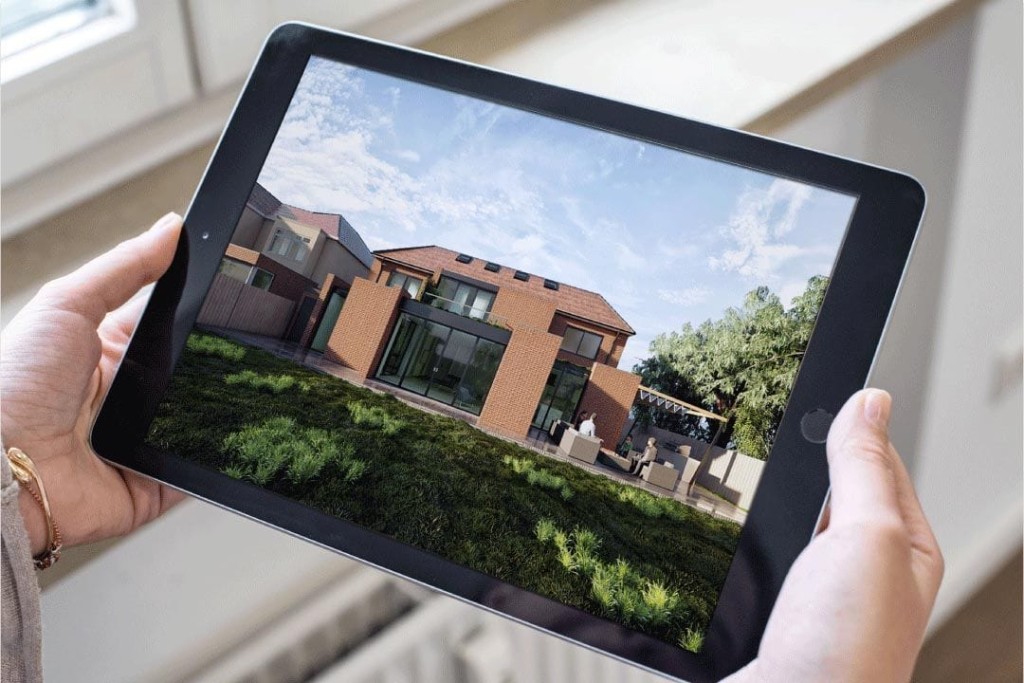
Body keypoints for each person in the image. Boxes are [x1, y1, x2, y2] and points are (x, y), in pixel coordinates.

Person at [1, 215, 944, 683]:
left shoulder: (577, 349)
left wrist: (20, 469)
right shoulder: (395, 286)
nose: (591, 356)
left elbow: (586, 350)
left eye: (594, 350)